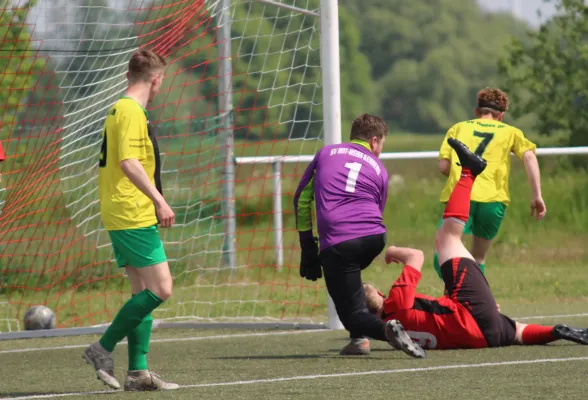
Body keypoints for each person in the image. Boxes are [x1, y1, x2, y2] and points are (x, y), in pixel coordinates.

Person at [358, 138, 587, 350]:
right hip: (472, 316)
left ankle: (558, 331)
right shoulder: (394, 304)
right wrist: (391, 251)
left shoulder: (390, 333)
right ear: (379, 293)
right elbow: (416, 256)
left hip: (481, 337)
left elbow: (438, 318)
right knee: (446, 238)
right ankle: (469, 171)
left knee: (518, 331)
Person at [82, 49, 179, 391]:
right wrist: (160, 200)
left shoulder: (121, 109)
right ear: (156, 80)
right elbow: (128, 162)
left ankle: (138, 372)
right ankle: (101, 349)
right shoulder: (129, 110)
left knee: (141, 290)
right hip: (130, 210)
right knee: (161, 288)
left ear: (128, 76)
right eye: (162, 81)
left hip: (124, 209)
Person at [293, 114, 425, 359]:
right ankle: (358, 341)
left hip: (339, 242)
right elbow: (377, 208)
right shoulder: (380, 169)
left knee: (350, 313)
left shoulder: (326, 153)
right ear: (374, 141)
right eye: (382, 145)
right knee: (349, 283)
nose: (380, 150)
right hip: (374, 238)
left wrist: (307, 245)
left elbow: (301, 198)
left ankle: (387, 329)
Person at [433, 87, 546, 278]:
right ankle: (474, 299)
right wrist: (537, 195)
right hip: (494, 199)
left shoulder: (458, 128)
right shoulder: (511, 132)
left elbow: (444, 167)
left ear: (477, 112)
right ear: (501, 115)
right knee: (479, 256)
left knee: (444, 248)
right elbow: (529, 157)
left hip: (462, 195)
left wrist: (461, 177)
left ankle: (455, 289)